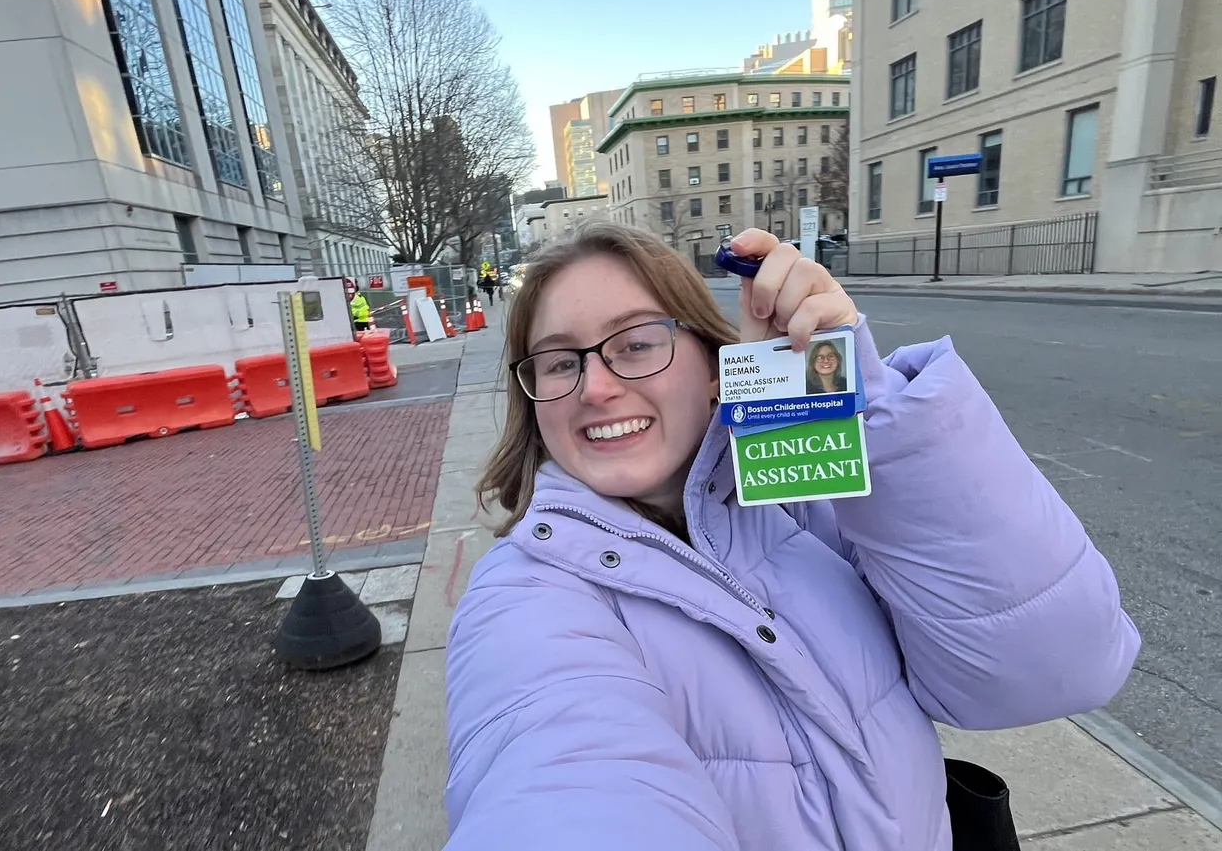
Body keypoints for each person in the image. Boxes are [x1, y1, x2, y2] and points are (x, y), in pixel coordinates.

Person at [443, 222, 1140, 851]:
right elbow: (559, 774)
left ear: (714, 368)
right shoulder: (524, 597)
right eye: (562, 362)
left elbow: (1058, 665)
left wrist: (861, 400)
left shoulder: (809, 511)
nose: (595, 386)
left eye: (636, 344)